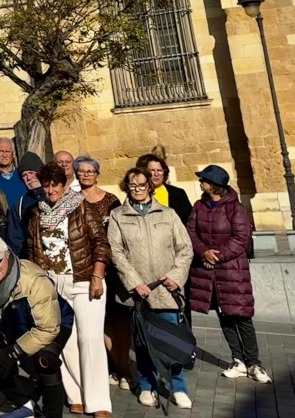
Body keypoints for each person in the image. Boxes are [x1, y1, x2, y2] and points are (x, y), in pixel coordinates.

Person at [24, 163, 112, 418]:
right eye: (47, 185)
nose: (51, 190)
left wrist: (97, 275)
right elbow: (32, 251)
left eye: (56, 185)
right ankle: (76, 395)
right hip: (53, 283)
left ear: (64, 185)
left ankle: (98, 402)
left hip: (84, 280)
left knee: (91, 339)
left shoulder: (83, 208)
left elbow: (100, 243)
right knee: (66, 341)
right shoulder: (37, 214)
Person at [107, 167, 193, 410]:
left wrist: (176, 276)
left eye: (142, 185)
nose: (137, 190)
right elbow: (116, 252)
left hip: (166, 289)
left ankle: (178, 387)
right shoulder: (118, 216)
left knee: (170, 341)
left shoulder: (168, 213)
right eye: (132, 185)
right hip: (139, 293)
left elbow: (185, 248)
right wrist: (135, 283)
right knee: (143, 342)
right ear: (127, 187)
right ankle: (147, 385)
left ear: (150, 187)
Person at [0, 234, 72, 418]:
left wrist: (14, 351)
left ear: (7, 256)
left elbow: (47, 329)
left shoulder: (34, 280)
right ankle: (27, 405)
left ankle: (52, 414)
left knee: (46, 360)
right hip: (11, 320)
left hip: (52, 322)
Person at [187, 165, 270, 383]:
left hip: (233, 272)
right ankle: (238, 360)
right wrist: (203, 252)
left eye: (203, 180)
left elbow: (241, 237)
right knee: (224, 316)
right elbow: (190, 232)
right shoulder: (199, 206)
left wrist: (217, 256)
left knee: (242, 317)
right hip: (209, 273)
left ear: (213, 184)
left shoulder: (236, 208)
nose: (200, 183)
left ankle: (254, 363)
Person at [74, 156, 129, 391]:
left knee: (119, 321)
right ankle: (107, 366)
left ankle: (124, 368)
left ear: (97, 174)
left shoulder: (111, 200)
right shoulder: (73, 201)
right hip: (86, 268)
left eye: (90, 171)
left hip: (111, 268)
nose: (86, 175)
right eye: (81, 171)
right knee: (99, 322)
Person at [137, 153, 193, 227]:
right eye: (152, 170)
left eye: (159, 170)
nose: (156, 174)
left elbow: (189, 220)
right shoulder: (137, 194)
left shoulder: (178, 194)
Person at [8, 152, 46, 258]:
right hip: (32, 260)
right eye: (24, 175)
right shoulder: (18, 206)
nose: (29, 178)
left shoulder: (53, 196)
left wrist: (40, 192)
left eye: (31, 172)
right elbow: (15, 241)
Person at [0, 137, 27, 214]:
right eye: (1, 151)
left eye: (8, 151)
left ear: (13, 154)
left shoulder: (23, 175)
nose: (4, 155)